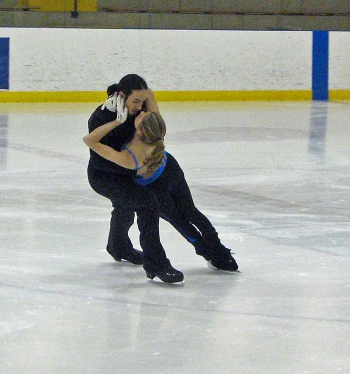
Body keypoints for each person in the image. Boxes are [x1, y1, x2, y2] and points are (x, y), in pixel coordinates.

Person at [84, 107, 238, 273]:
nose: (140, 112)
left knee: (179, 220)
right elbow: (147, 93)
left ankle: (207, 252)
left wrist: (117, 120)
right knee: (191, 212)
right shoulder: (154, 134)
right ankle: (220, 253)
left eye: (142, 115)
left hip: (154, 186)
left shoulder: (132, 156)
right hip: (170, 168)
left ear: (141, 131)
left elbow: (90, 141)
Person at [86, 74, 184, 284]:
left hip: (127, 170)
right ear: (122, 95)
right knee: (147, 204)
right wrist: (116, 122)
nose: (140, 107)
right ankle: (157, 265)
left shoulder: (138, 109)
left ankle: (118, 246)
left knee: (125, 207)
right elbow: (92, 144)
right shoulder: (100, 118)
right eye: (135, 101)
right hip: (104, 175)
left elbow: (150, 101)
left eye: (142, 101)